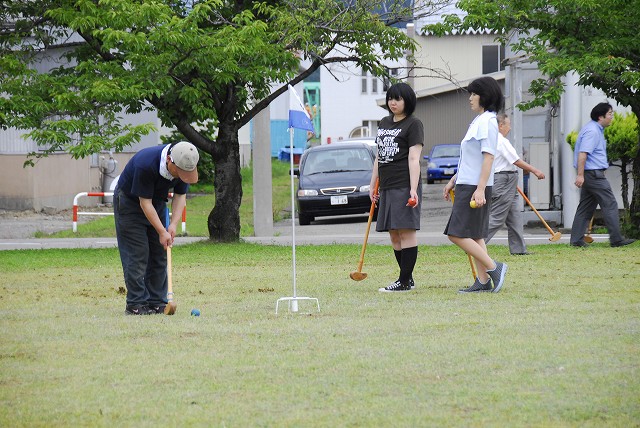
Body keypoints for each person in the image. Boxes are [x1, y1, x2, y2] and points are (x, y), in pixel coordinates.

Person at [114, 141, 200, 315]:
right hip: (130, 204)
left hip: (157, 203)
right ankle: (136, 303)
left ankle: (157, 302)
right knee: (137, 254)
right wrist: (161, 231)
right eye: (180, 173)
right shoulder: (145, 164)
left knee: (159, 254)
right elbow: (144, 203)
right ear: (170, 160)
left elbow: (180, 196)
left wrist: (172, 225)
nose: (182, 177)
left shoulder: (184, 162)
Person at [443, 76, 508, 293]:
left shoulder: (488, 122)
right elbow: (469, 158)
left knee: (456, 234)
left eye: (473, 94)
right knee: (475, 235)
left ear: (485, 96)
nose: (470, 98)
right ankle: (482, 281)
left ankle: (493, 267)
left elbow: (488, 158)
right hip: (466, 183)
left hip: (474, 186)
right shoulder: (479, 120)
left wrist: (480, 190)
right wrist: (453, 180)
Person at [370, 82, 424, 292]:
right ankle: (406, 279)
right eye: (390, 98)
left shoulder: (414, 124)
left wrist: (413, 189)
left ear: (407, 101)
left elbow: (413, 158)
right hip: (387, 185)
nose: (393, 102)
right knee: (393, 233)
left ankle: (403, 281)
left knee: (406, 232)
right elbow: (379, 156)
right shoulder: (384, 122)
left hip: (404, 184)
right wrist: (373, 182)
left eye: (398, 99)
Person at [570, 103, 636, 247]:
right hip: (593, 175)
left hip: (591, 174)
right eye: (610, 114)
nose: (612, 117)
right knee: (610, 204)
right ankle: (616, 240)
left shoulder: (594, 129)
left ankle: (576, 240)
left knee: (586, 207)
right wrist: (580, 175)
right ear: (601, 117)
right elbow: (583, 154)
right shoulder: (593, 131)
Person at [485, 113, 545, 255]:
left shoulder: (495, 140)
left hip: (508, 179)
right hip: (503, 179)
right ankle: (475, 244)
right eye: (508, 124)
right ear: (500, 126)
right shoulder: (500, 141)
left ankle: (519, 249)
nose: (510, 128)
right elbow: (516, 161)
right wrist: (535, 170)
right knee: (497, 218)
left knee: (515, 216)